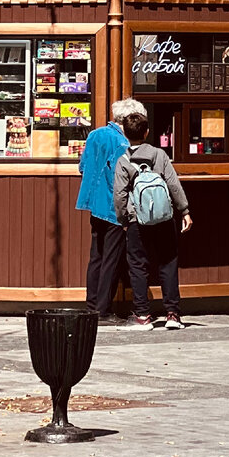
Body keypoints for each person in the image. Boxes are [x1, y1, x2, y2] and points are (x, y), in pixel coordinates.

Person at [114, 108, 193, 330]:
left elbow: (119, 195)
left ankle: (142, 316)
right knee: (168, 262)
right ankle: (173, 315)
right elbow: (173, 184)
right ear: (147, 132)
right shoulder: (159, 155)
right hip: (164, 218)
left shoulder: (123, 161)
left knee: (138, 266)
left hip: (137, 220)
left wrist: (123, 220)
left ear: (125, 134)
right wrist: (185, 211)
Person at [75, 97, 137, 323]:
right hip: (113, 207)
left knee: (97, 257)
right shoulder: (122, 143)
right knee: (112, 259)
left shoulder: (95, 135)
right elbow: (119, 179)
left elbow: (82, 167)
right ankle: (103, 310)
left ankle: (92, 305)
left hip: (94, 204)